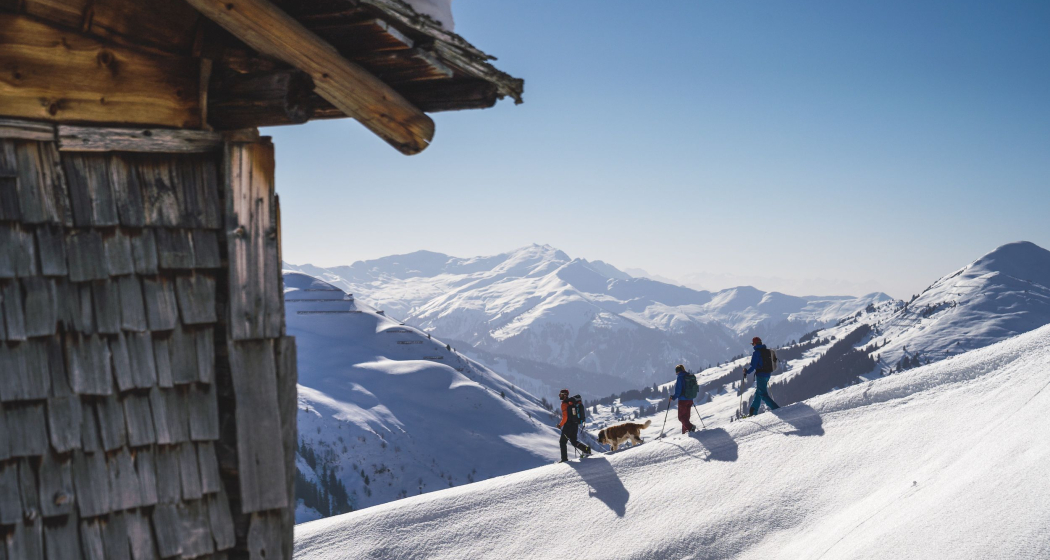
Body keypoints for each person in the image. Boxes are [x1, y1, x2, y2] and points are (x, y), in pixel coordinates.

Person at [744, 337, 780, 416]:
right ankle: (753, 411)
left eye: (753, 344)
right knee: (758, 392)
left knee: (763, 394)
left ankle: (777, 409)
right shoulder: (766, 351)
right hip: (767, 374)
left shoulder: (756, 353)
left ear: (755, 343)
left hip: (761, 375)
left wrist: (747, 372)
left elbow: (754, 366)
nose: (752, 345)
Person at [557, 389, 591, 462]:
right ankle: (586, 449)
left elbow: (565, 417)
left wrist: (560, 425)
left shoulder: (564, 404)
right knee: (573, 441)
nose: (559, 396)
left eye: (561, 394)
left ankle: (564, 459)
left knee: (562, 442)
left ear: (565, 395)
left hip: (568, 426)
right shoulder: (572, 403)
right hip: (575, 425)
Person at [668, 365, 697, 433]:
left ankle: (690, 427)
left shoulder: (680, 377)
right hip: (690, 399)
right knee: (686, 417)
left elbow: (678, 391)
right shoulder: (689, 376)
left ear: (678, 371)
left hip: (683, 400)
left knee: (681, 417)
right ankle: (685, 432)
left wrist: (673, 397)